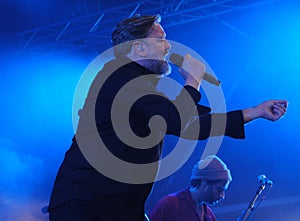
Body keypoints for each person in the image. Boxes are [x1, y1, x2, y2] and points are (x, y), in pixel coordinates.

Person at [47, 14, 287, 221]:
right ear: (139, 47)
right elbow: (176, 119)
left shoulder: (143, 87)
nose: (168, 47)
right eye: (161, 40)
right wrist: (192, 81)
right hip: (86, 203)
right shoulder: (118, 76)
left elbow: (192, 124)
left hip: (115, 206)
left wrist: (253, 112)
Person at [148, 155, 232, 221]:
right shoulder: (170, 204)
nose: (222, 196)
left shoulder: (210, 215)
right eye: (219, 189)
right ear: (204, 183)